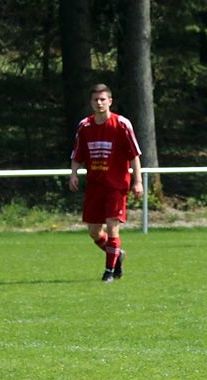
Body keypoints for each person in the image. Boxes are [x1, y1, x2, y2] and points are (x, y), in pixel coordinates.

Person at [69, 83, 143, 282]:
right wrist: (73, 174)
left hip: (116, 186)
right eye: (96, 100)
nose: (99, 103)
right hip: (95, 186)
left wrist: (138, 181)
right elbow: (77, 155)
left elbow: (134, 155)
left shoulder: (122, 124)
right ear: (91, 102)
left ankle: (109, 271)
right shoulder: (85, 126)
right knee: (94, 232)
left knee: (112, 226)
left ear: (110, 101)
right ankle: (117, 254)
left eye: (103, 99)